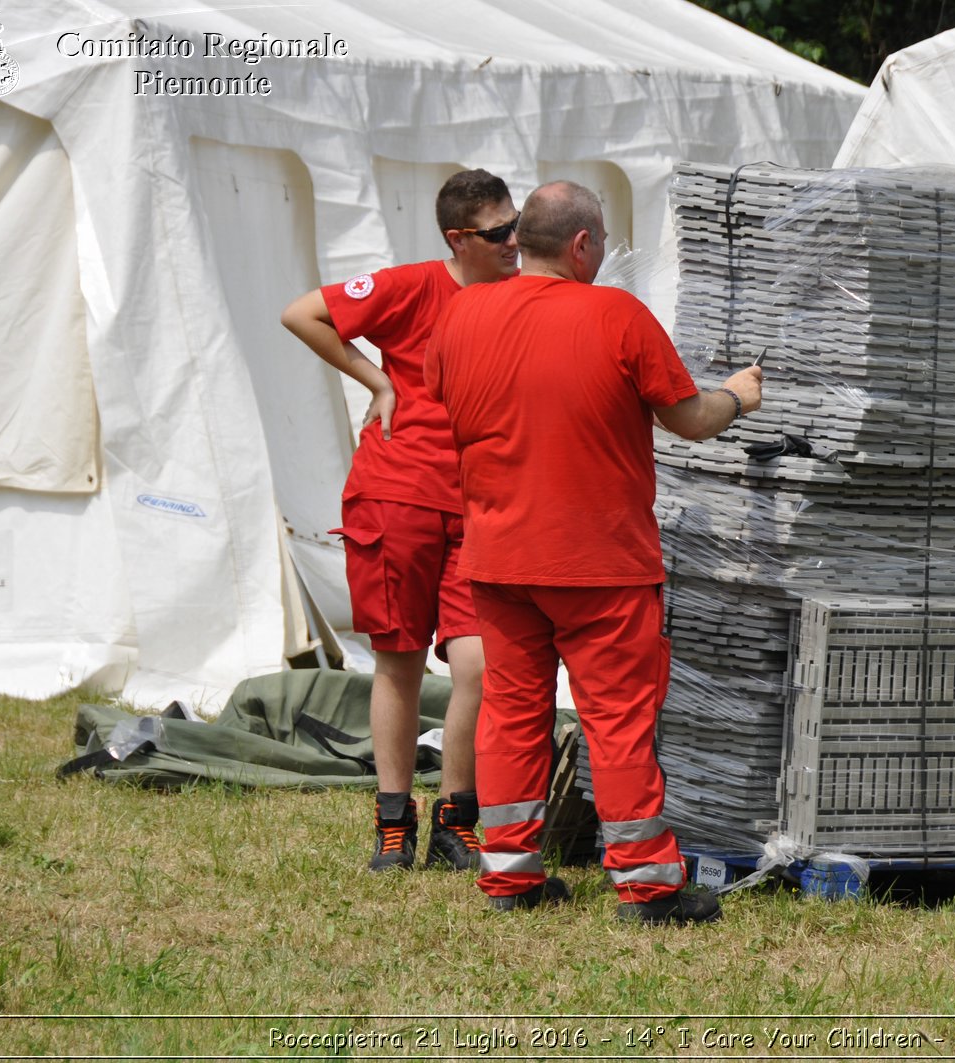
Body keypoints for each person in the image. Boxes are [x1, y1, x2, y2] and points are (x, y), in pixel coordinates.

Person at [424, 181, 763, 925]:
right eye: (603, 242)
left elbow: (451, 401)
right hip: (599, 563)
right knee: (616, 719)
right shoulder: (617, 314)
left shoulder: (462, 313)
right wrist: (739, 394)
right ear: (581, 245)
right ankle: (646, 885)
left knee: (512, 714)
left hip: (499, 557)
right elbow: (690, 419)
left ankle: (509, 874)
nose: (604, 253)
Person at [280, 169, 520, 872]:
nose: (514, 241)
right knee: (400, 661)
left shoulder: (522, 295)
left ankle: (455, 814)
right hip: (400, 492)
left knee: (479, 662)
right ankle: (394, 819)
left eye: (517, 224)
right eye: (499, 232)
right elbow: (302, 313)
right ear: (459, 239)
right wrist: (378, 380)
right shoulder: (414, 285)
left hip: (480, 506)